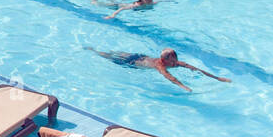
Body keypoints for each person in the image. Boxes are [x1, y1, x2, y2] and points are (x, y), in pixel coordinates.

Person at [93, 47, 231, 92]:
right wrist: (183, 86)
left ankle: (97, 50)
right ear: (165, 60)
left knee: (112, 53)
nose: (175, 62)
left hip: (140, 56)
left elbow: (195, 69)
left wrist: (218, 78)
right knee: (107, 56)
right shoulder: (160, 65)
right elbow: (169, 77)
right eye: (172, 60)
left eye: (175, 59)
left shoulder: (175, 62)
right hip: (131, 62)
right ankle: (94, 51)